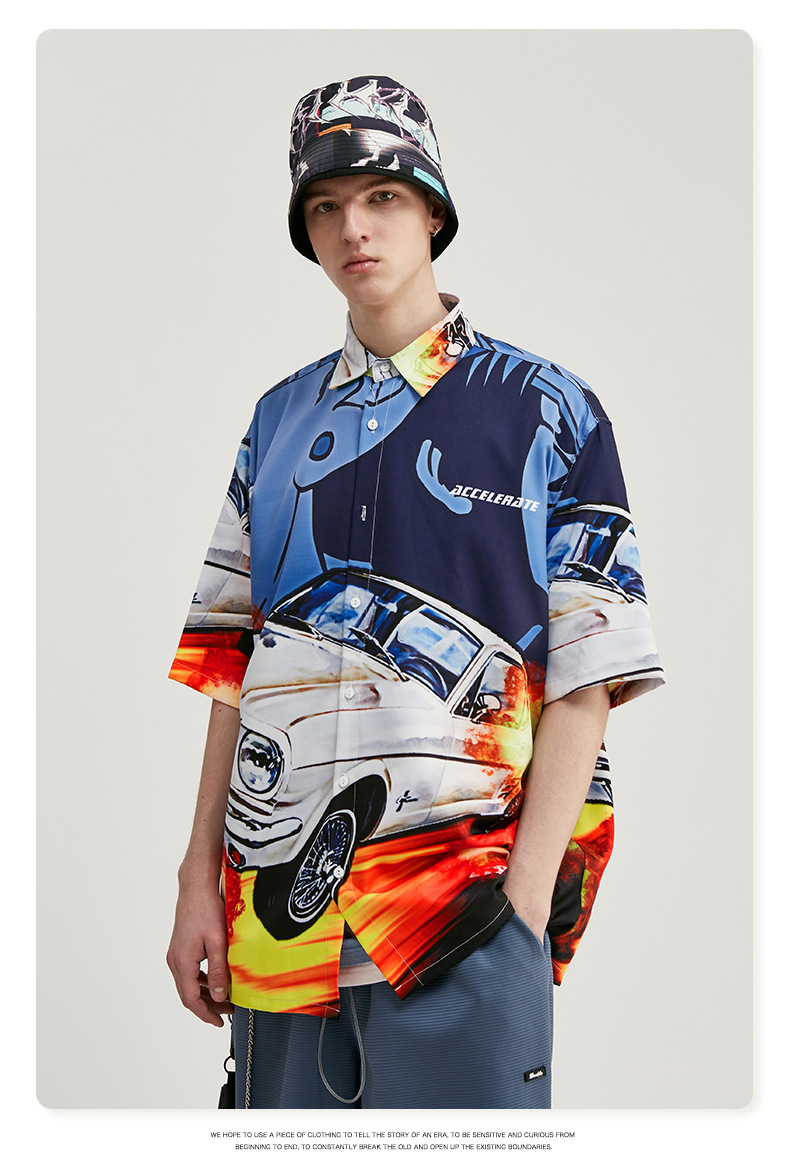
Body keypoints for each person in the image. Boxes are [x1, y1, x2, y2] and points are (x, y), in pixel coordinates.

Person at [166, 75, 664, 1110]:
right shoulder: (276, 423)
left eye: (382, 197)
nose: (354, 227)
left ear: (433, 210)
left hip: (463, 926)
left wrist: (520, 909)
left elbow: (587, 674)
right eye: (325, 206)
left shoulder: (548, 411)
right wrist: (194, 880)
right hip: (278, 939)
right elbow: (230, 667)